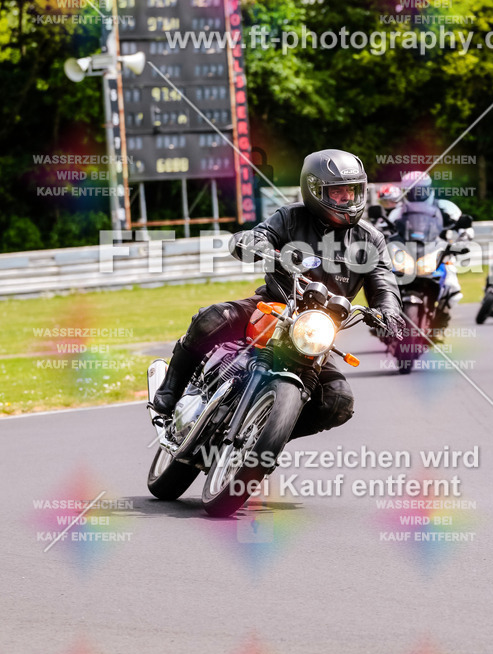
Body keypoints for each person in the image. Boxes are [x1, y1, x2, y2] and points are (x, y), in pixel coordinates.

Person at [151, 149, 405, 438]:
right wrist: (255, 244)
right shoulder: (291, 217)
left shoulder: (370, 238)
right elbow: (258, 235)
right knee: (212, 318)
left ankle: (261, 437)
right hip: (273, 306)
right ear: (314, 190)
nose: (346, 199)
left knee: (338, 402)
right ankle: (169, 393)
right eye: (337, 192)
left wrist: (390, 312)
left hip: (317, 332)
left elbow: (383, 279)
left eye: (352, 191)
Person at [388, 171, 473, 308]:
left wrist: (462, 239)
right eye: (411, 191)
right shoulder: (398, 212)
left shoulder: (445, 207)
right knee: (384, 278)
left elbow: (465, 227)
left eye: (419, 190)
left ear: (428, 189)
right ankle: (384, 315)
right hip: (407, 254)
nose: (416, 194)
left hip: (440, 252)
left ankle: (443, 310)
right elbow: (386, 232)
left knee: (452, 287)